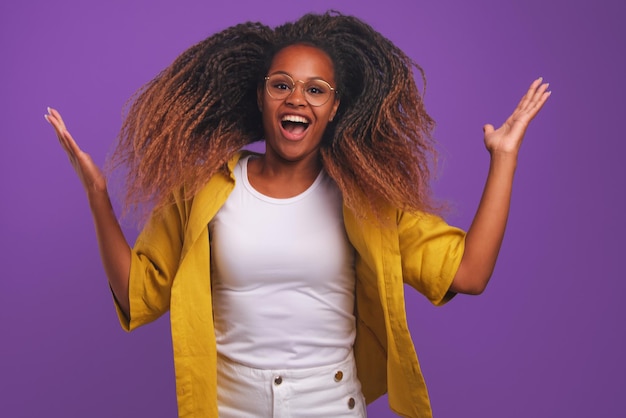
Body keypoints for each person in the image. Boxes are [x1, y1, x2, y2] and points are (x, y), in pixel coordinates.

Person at [45, 10, 550, 418]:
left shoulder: (365, 199)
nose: (297, 100)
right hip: (226, 408)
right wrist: (97, 196)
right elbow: (139, 295)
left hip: (330, 406)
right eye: (281, 84)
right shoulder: (202, 192)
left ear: (334, 107)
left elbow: (469, 273)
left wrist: (503, 157)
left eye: (315, 90)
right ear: (261, 96)